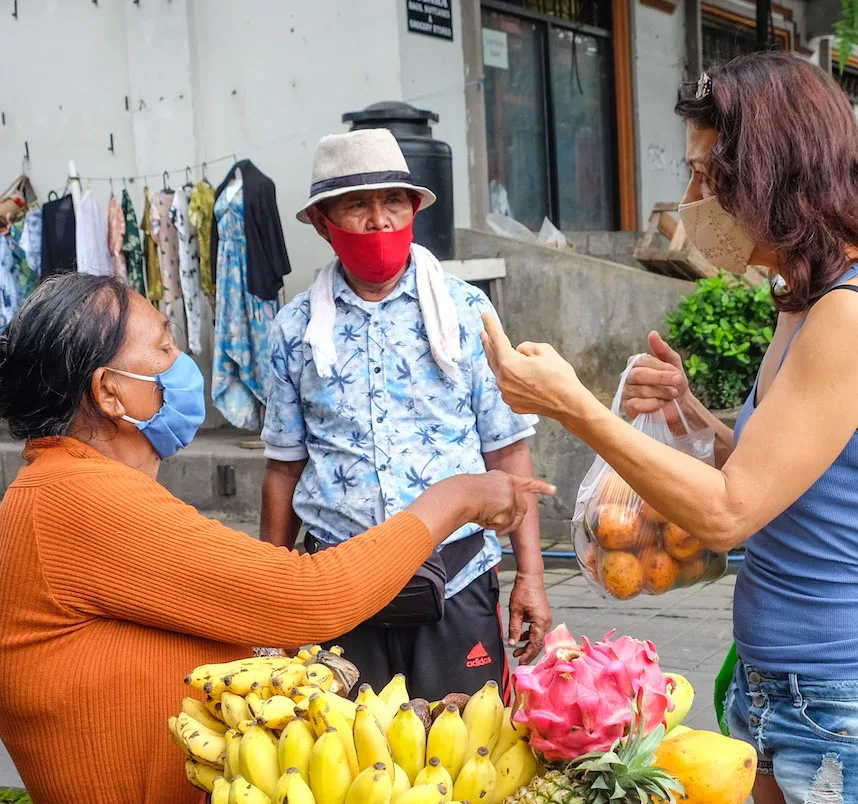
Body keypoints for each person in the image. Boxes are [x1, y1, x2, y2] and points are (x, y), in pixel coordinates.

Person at [0, 273, 553, 804]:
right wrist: (453, 500)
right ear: (110, 393)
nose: (183, 367)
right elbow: (313, 596)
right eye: (166, 350)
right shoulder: (77, 500)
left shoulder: (68, 489)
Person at [479, 53, 858, 804]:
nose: (688, 201)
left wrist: (575, 408)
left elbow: (731, 510)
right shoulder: (803, 297)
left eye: (703, 177)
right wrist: (693, 416)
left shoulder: (847, 313)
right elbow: (772, 469)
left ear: (770, 171)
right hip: (771, 677)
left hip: (830, 693)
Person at [260, 128, 552, 700]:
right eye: (357, 206)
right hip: (338, 582)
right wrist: (272, 597)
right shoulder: (295, 330)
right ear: (324, 223)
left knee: (466, 754)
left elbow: (507, 449)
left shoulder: (466, 311)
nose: (379, 222)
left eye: (393, 202)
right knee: (347, 767)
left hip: (459, 577)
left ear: (414, 207)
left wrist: (532, 578)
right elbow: (283, 468)